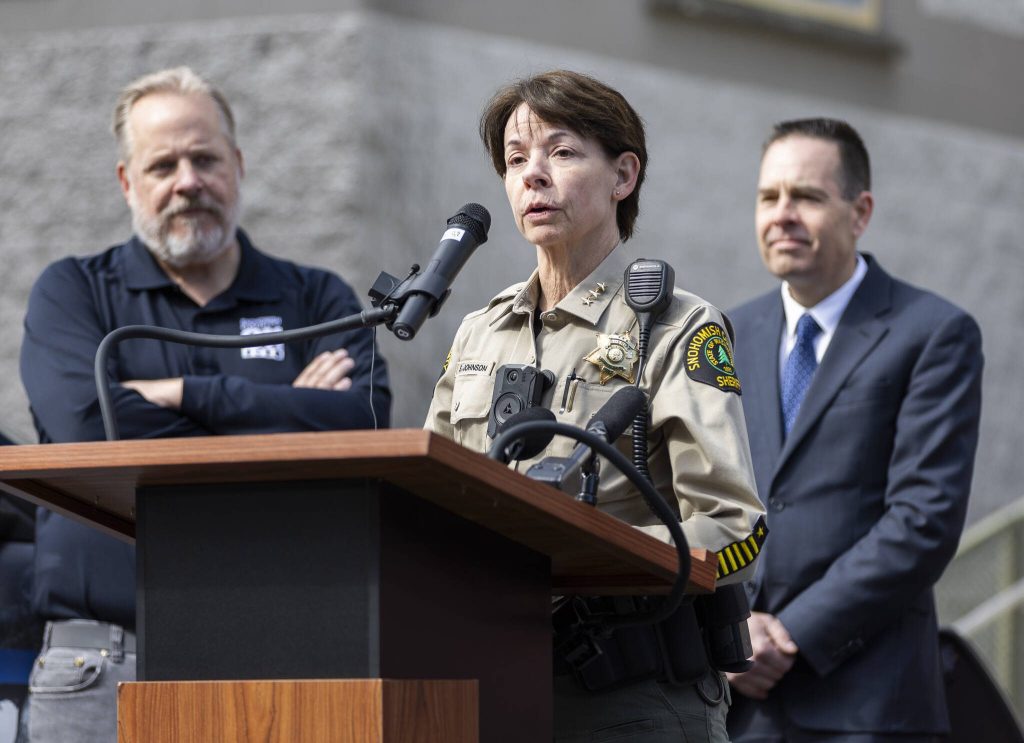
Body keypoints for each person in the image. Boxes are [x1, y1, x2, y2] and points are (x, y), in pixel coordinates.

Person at [17, 66, 390, 743]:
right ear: (128, 182)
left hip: (285, 662)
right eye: (163, 164)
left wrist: (188, 394)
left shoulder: (316, 299)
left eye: (205, 158)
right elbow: (83, 421)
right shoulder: (73, 292)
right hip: (100, 667)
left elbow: (361, 424)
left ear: (238, 166)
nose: (187, 181)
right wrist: (284, 411)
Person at [425, 69, 766, 743]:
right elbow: (430, 504)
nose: (534, 176)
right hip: (491, 689)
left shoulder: (674, 325)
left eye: (562, 151)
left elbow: (734, 529)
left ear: (623, 175)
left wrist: (592, 566)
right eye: (516, 160)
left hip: (630, 699)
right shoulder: (477, 332)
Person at [726, 118, 983, 741]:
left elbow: (923, 520)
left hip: (868, 704)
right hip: (738, 704)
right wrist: (730, 629)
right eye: (769, 197)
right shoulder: (726, 334)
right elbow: (699, 500)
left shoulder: (933, 333)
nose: (782, 214)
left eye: (807, 196)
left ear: (859, 211)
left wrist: (791, 633)